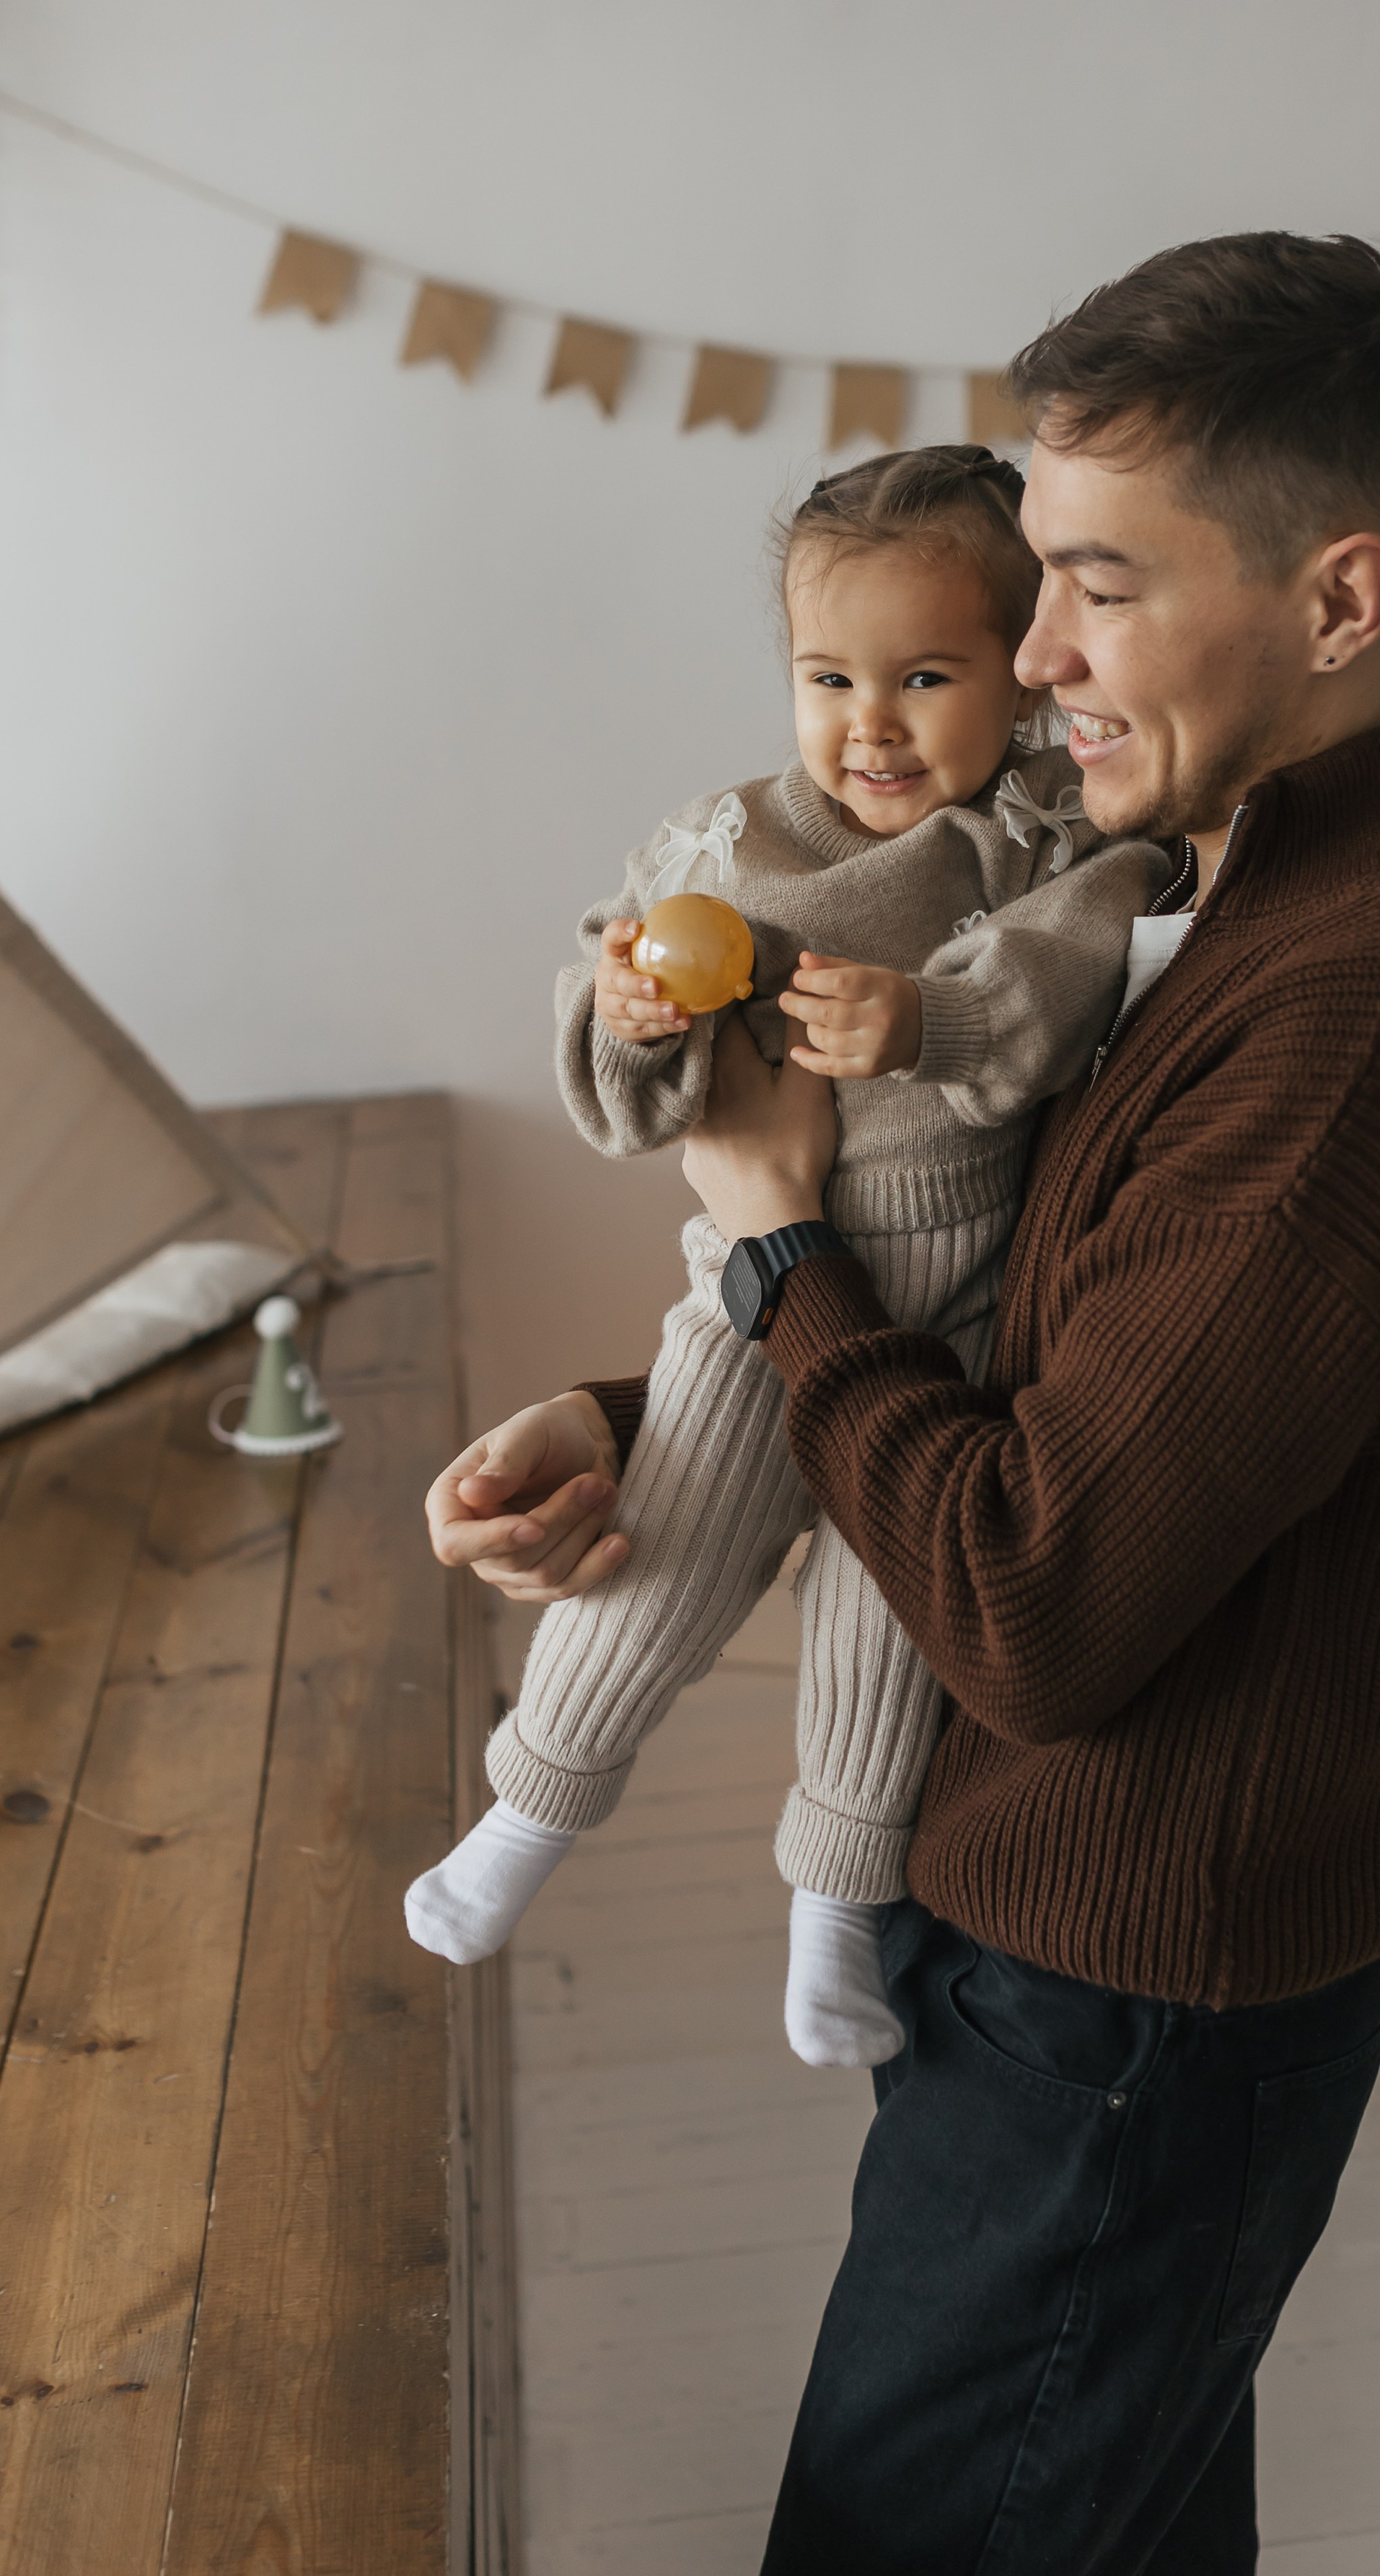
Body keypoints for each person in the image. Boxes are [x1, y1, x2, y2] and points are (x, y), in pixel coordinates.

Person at [425, 232, 1380, 2572]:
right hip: (1071, 1950)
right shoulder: (1204, 884)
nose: (1032, 652)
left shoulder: (1354, 1022)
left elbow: (1039, 1591)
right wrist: (652, 1415)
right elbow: (1048, 1313)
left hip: (1127, 1998)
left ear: (1344, 595)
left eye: (1095, 585)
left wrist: (772, 1256)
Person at [405, 446, 1165, 2066]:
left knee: (885, 1634)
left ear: (1022, 674)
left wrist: (925, 1012)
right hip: (746, 1301)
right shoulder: (727, 844)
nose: (869, 724)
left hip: (953, 1324)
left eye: (923, 676)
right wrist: (631, 1017)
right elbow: (628, 1094)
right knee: (661, 1551)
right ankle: (524, 1818)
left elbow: (1059, 982)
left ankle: (829, 1918)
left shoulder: (1039, 839)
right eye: (827, 678)